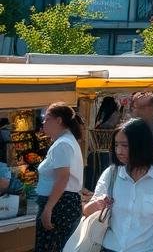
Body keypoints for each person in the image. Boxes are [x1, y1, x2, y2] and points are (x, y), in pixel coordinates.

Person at [84, 118, 153, 252]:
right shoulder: (111, 174)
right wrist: (98, 204)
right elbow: (87, 211)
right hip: (109, 247)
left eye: (125, 145)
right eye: (116, 145)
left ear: (141, 145)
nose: (119, 151)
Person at [34, 103, 83, 252]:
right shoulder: (65, 142)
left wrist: (48, 208)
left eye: (47, 118)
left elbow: (63, 178)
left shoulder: (63, 144)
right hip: (62, 204)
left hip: (60, 206)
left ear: (59, 120)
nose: (43, 123)